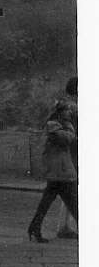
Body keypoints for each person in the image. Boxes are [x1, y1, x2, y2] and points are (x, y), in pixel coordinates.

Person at [27, 99, 78, 243]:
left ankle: (34, 227)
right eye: (67, 110)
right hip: (59, 172)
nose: (70, 112)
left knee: (48, 203)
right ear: (59, 113)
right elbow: (66, 139)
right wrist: (70, 127)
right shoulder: (53, 127)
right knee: (73, 205)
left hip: (60, 172)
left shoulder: (61, 126)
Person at [56, 76, 78, 239]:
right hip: (73, 151)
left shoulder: (66, 105)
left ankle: (65, 226)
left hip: (67, 151)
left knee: (70, 189)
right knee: (72, 188)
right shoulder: (74, 107)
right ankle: (66, 226)